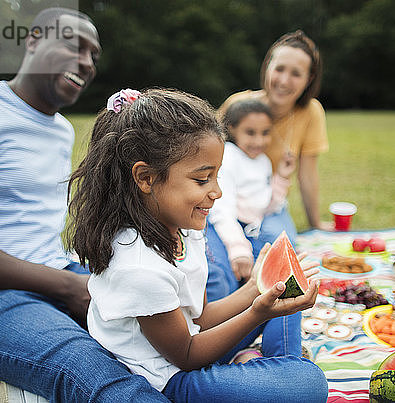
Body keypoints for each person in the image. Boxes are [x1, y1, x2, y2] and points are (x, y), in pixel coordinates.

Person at [0, 8, 169, 402]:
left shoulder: (59, 130)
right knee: (96, 375)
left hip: (55, 274)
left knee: (169, 338)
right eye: (75, 46)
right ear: (34, 39)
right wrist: (68, 286)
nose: (87, 63)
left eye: (94, 55)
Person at [66, 87, 329, 402]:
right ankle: (269, 368)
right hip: (173, 377)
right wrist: (258, 311)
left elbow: (200, 317)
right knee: (308, 383)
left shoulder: (183, 226)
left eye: (217, 177)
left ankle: (265, 368)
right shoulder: (139, 268)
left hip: (198, 343)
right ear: (146, 178)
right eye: (202, 180)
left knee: (286, 287)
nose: (217, 192)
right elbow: (187, 356)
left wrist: (256, 287)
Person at [217, 30, 331, 232]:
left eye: (296, 74)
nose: (284, 81)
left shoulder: (311, 112)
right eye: (279, 69)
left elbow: (307, 175)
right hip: (226, 203)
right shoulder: (238, 105)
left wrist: (316, 224)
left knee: (276, 241)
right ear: (267, 66)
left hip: (269, 205)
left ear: (309, 79)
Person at [206, 99, 297, 299]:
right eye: (250, 133)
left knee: (280, 265)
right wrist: (238, 249)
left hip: (252, 229)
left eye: (265, 133)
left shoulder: (262, 160)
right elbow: (222, 209)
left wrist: (281, 176)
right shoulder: (229, 157)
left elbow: (267, 205)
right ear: (232, 128)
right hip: (227, 226)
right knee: (226, 277)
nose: (259, 141)